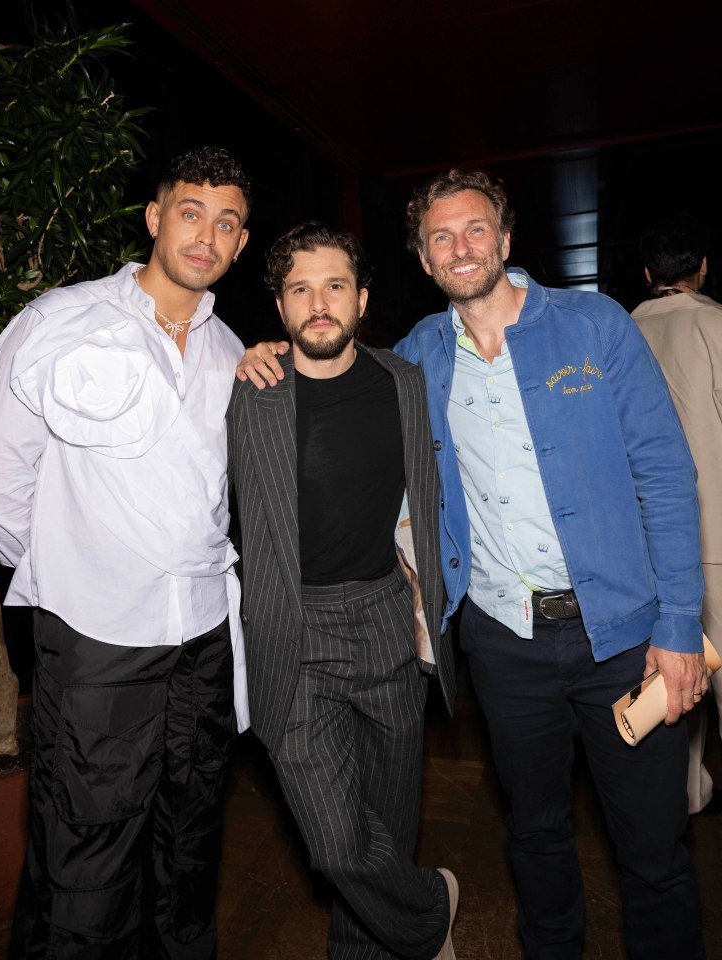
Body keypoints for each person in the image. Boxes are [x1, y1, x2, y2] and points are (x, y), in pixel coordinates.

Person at [236, 172, 707, 959]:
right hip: (502, 641)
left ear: (507, 239)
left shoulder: (593, 326)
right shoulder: (418, 356)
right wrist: (274, 350)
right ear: (423, 258)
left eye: (476, 230)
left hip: (623, 636)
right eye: (441, 238)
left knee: (653, 851)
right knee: (536, 833)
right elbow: (336, 362)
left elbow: (665, 472)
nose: (461, 248)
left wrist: (681, 622)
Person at [0, 145, 252, 960]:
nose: (206, 234)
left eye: (225, 222)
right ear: (155, 218)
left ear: (240, 241)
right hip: (94, 640)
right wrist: (74, 569)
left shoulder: (232, 353)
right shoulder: (60, 320)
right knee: (85, 853)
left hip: (199, 639)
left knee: (188, 842)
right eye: (191, 213)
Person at [227, 222, 459, 960]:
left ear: (361, 299)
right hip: (289, 632)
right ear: (280, 305)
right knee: (335, 844)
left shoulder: (404, 381)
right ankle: (431, 911)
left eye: (334, 287)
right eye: (300, 288)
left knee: (385, 822)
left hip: (387, 615)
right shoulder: (246, 393)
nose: (318, 303)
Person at [633, 213, 722, 815]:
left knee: (675, 673)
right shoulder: (716, 324)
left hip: (648, 539)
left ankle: (687, 796)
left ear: (646, 275)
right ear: (704, 267)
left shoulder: (619, 330)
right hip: (718, 526)